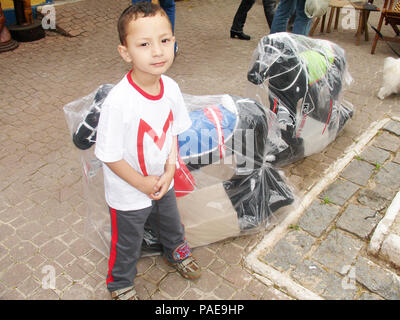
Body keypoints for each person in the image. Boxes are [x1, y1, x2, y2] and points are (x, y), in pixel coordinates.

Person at [94, 2, 201, 300]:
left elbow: (171, 133)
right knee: (127, 241)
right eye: (144, 44)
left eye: (165, 40)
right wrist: (141, 183)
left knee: (170, 221)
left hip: (161, 178)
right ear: (126, 52)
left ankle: (176, 251)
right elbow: (110, 155)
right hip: (128, 190)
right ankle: (120, 284)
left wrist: (169, 170)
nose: (158, 51)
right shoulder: (119, 102)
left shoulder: (171, 89)